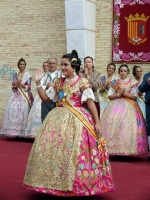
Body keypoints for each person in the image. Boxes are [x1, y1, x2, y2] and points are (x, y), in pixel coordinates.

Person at [23, 50, 115, 196]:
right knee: (57, 151)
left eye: (65, 65)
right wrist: (38, 83)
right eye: (62, 65)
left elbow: (90, 103)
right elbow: (47, 99)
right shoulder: (58, 82)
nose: (63, 67)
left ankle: (77, 184)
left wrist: (97, 122)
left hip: (78, 120)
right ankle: (55, 183)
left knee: (75, 152)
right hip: (57, 120)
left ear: (74, 65)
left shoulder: (83, 82)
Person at [100, 64, 147, 155]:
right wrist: (118, 95)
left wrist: (124, 94)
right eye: (121, 71)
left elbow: (134, 97)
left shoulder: (132, 82)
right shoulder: (114, 82)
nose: (123, 72)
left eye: (125, 71)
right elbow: (110, 96)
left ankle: (127, 149)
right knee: (112, 122)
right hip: (114, 106)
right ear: (119, 72)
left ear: (127, 72)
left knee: (126, 125)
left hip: (129, 106)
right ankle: (112, 149)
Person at [0, 58, 34, 137]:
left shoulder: (27, 75)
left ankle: (22, 133)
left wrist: (20, 84)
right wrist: (15, 85)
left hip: (24, 96)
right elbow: (12, 86)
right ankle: (13, 132)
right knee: (12, 110)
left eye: (23, 64)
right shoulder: (15, 75)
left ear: (25, 66)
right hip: (15, 95)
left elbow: (28, 87)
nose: (22, 65)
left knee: (22, 111)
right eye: (20, 64)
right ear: (18, 65)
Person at [25, 61, 49, 138]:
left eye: (47, 66)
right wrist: (42, 87)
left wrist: (44, 88)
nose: (45, 67)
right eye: (44, 66)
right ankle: (35, 133)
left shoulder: (53, 76)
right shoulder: (41, 75)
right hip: (39, 97)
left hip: (48, 97)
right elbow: (36, 86)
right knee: (36, 113)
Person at [41, 57, 62, 122]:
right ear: (48, 64)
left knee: (57, 123)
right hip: (46, 102)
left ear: (56, 64)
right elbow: (39, 88)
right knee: (45, 122)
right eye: (50, 63)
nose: (52, 65)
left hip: (58, 103)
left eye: (54, 63)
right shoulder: (43, 75)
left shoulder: (61, 74)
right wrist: (46, 88)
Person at [139, 72, 150, 162]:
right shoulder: (147, 75)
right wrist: (148, 83)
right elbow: (141, 89)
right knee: (149, 127)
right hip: (149, 104)